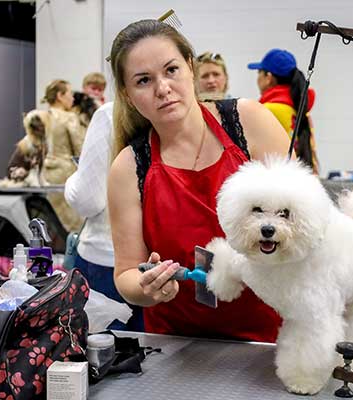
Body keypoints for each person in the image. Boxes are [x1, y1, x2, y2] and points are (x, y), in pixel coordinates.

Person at [106, 19, 291, 342]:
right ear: (127, 94)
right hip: (177, 345)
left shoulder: (250, 122)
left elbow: (306, 219)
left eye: (171, 70)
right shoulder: (128, 167)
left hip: (271, 339)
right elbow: (126, 274)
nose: (163, 88)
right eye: (144, 80)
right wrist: (148, 287)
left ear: (190, 67)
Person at [64, 101, 143, 331]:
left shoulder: (110, 114)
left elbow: (87, 200)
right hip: (165, 267)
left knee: (104, 347)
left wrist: (72, 180)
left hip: (107, 260)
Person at [248, 49, 319, 174]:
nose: (257, 78)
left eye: (259, 72)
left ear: (268, 77)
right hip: (301, 177)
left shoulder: (268, 110)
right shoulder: (301, 110)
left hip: (275, 180)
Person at [41, 79, 86, 232]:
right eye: (70, 94)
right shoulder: (69, 117)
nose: (73, 98)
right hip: (65, 174)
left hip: (44, 174)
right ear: (60, 96)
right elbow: (80, 148)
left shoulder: (40, 116)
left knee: (49, 222)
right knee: (71, 224)